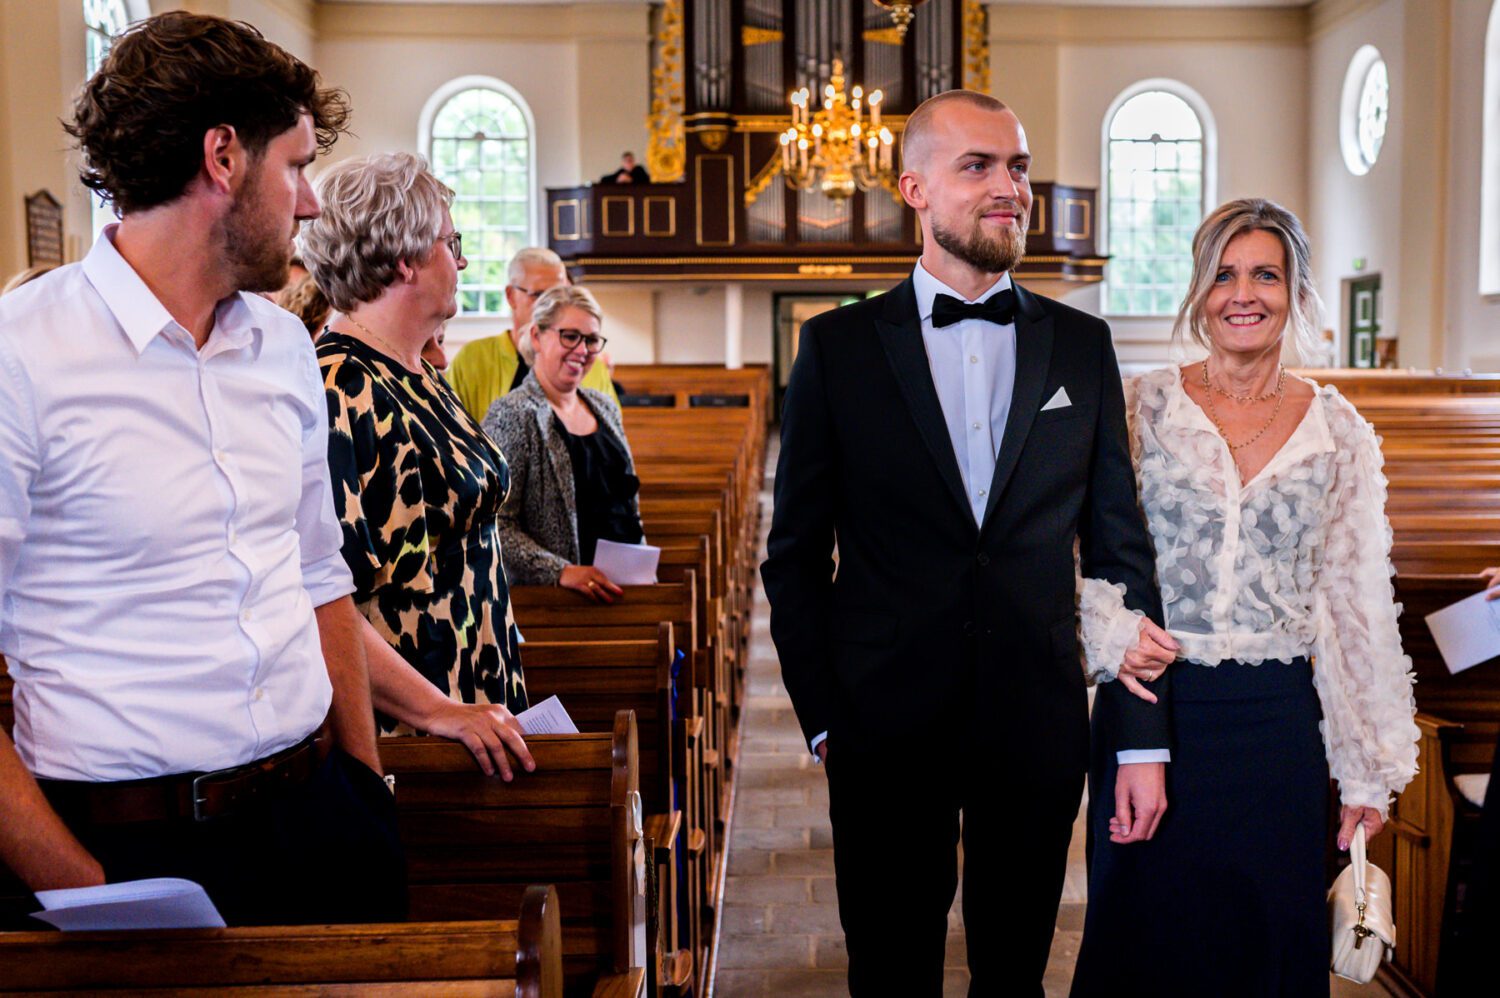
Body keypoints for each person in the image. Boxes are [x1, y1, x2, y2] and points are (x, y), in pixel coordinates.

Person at [760, 89, 1174, 996]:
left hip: (1035, 716)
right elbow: (792, 556)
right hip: (882, 723)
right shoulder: (835, 350)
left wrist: (1139, 736)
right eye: (978, 166)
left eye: (1018, 167)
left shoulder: (1081, 345)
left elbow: (1119, 549)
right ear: (913, 187)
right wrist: (827, 715)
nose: (1010, 188)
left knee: (1016, 971)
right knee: (891, 968)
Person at [0, 11, 405, 926]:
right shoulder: (23, 355)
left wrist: (366, 788)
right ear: (223, 157)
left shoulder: (281, 348)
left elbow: (316, 575)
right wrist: (88, 891)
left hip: (319, 815)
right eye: (296, 166)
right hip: (126, 845)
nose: (309, 202)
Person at [1070, 199, 1421, 998]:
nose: (1244, 293)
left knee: (1269, 946)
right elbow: (1077, 551)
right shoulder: (1141, 408)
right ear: (1199, 291)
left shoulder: (1339, 430)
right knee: (1143, 943)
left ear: (1295, 289)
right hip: (1156, 707)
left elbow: (1354, 602)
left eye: (1266, 273)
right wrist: (1109, 631)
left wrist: (1366, 773)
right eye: (1224, 274)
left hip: (1278, 727)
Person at [299, 152, 533, 770]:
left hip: (475, 702)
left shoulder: (416, 370)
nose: (460, 261)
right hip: (414, 729)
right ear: (405, 257)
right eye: (450, 242)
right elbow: (328, 600)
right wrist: (436, 710)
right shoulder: (341, 388)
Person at [483, 286, 640, 601]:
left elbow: (625, 501)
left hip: (622, 587)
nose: (582, 350)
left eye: (592, 340)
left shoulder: (604, 406)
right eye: (570, 336)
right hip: (555, 601)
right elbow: (494, 522)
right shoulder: (512, 413)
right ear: (538, 337)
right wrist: (560, 571)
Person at [447, 247, 618, 421]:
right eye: (539, 295)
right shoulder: (472, 360)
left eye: (559, 295)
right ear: (511, 296)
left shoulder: (590, 364)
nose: (551, 306)